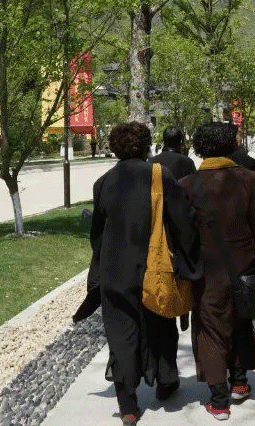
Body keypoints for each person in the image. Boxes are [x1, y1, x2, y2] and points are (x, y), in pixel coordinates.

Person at [74, 122, 202, 424]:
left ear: (115, 148)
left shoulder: (103, 182)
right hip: (153, 268)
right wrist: (188, 260)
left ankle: (128, 405)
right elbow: (182, 222)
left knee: (121, 332)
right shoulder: (160, 176)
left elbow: (98, 236)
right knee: (160, 324)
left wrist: (98, 273)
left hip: (114, 269)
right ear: (146, 146)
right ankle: (166, 381)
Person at [180, 122, 255, 421]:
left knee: (211, 329)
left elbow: (182, 234)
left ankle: (219, 402)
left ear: (199, 148)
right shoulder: (247, 179)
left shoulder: (187, 185)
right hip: (244, 264)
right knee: (241, 321)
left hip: (207, 271)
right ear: (232, 145)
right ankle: (240, 381)